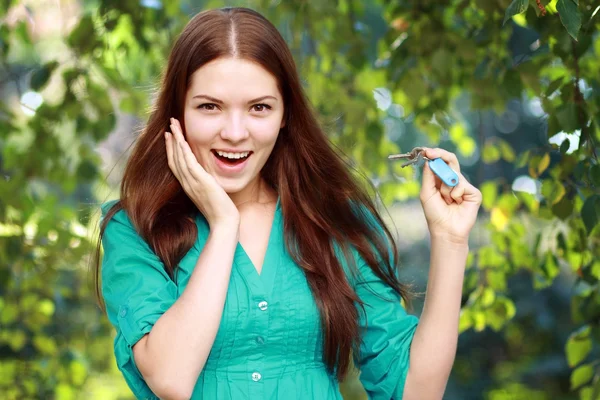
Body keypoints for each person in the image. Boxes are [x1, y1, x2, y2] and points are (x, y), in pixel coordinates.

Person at [94, 6, 482, 400]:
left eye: (259, 107)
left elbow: (416, 393)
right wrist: (224, 225)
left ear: (284, 115)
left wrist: (450, 242)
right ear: (177, 113)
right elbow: (170, 379)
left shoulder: (333, 219)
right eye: (209, 106)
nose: (234, 132)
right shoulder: (135, 228)